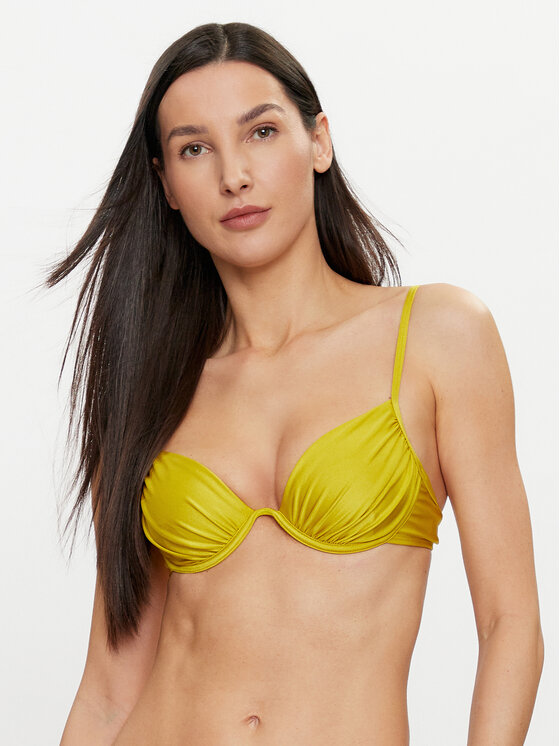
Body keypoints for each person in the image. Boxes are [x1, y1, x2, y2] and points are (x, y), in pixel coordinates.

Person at [48, 21, 543, 745]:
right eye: (194, 149)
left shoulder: (438, 336)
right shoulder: (150, 391)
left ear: (319, 141)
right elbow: (108, 691)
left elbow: (510, 623)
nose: (234, 175)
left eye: (261, 132)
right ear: (167, 184)